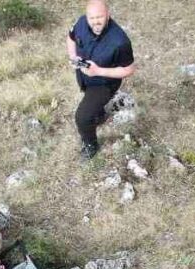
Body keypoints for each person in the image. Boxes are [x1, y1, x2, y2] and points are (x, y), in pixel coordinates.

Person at [67, 0, 136, 160]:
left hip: (104, 83)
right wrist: (73, 57)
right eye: (92, 18)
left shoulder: (120, 41)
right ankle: (98, 115)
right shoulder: (81, 22)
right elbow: (71, 38)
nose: (95, 22)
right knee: (91, 107)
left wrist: (98, 71)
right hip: (84, 76)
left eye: (100, 17)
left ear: (108, 15)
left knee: (82, 118)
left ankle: (90, 145)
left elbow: (129, 69)